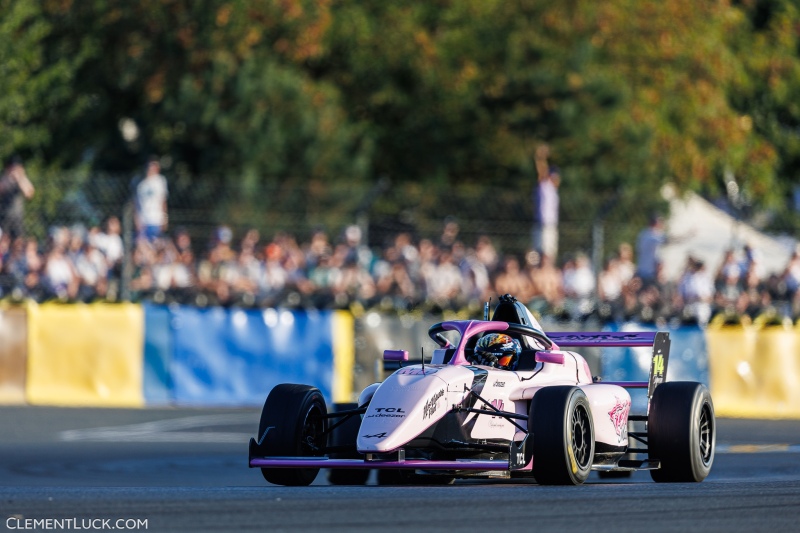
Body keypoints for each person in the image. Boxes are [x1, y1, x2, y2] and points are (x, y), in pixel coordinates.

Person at [532, 144, 560, 261]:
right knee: (540, 253)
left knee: (550, 252)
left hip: (551, 224)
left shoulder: (553, 190)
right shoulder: (545, 186)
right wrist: (540, 157)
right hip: (543, 223)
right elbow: (542, 172)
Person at [0, 155, 35, 240]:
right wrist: (8, 179)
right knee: (4, 238)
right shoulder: (4, 177)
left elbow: (29, 194)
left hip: (18, 216)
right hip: (4, 214)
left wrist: (19, 179)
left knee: (18, 239)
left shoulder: (23, 179)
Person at [135, 156, 169, 242]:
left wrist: (164, 218)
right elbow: (136, 204)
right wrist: (137, 220)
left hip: (156, 220)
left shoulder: (160, 181)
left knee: (156, 244)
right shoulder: (140, 184)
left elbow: (163, 201)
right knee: (142, 245)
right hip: (144, 221)